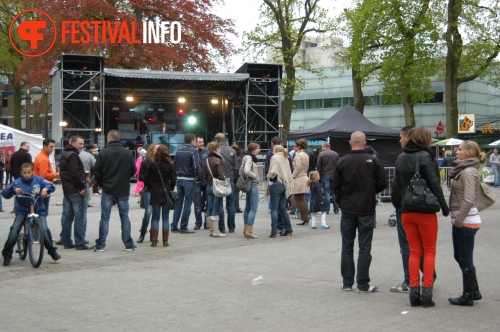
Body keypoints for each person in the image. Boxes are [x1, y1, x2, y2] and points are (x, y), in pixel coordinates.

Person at [395, 127, 449, 307]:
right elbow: (434, 183)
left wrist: (400, 206)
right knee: (429, 250)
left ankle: (413, 292)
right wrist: (444, 206)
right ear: (424, 140)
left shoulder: (401, 157)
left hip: (407, 209)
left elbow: (398, 184)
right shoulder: (426, 156)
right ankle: (427, 292)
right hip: (425, 209)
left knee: (414, 251)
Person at [333, 131, 388, 293]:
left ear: (350, 142)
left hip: (348, 208)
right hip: (366, 208)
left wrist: (341, 200)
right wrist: (370, 192)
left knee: (347, 246)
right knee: (365, 247)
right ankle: (363, 284)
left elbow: (336, 186)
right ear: (365, 143)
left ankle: (347, 282)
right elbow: (383, 181)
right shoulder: (372, 161)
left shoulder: (342, 161)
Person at [448, 141, 487, 306]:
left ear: (470, 153)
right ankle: (474, 291)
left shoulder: (469, 171)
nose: (457, 152)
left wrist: (459, 220)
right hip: (462, 219)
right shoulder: (464, 169)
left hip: (465, 221)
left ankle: (468, 295)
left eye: (460, 150)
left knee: (465, 259)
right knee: (460, 257)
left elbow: (469, 198)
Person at [1, 163, 60, 266]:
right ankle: (7, 253)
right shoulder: (17, 182)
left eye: (29, 172)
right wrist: (14, 190)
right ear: (21, 173)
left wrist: (46, 189)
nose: (27, 175)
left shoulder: (39, 180)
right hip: (23, 210)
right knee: (15, 229)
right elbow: (5, 193)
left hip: (38, 209)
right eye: (24, 173)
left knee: (44, 229)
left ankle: (51, 250)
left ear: (32, 172)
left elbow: (51, 185)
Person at [91, 130, 136, 252]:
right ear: (118, 138)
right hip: (123, 189)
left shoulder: (103, 153)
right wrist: (125, 178)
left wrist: (101, 184)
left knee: (105, 217)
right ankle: (128, 244)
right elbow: (134, 169)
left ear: (109, 138)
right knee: (125, 216)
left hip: (108, 189)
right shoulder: (127, 153)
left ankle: (101, 245)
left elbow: (97, 171)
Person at [144, 145, 176, 247]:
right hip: (166, 192)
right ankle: (165, 241)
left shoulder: (153, 164)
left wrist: (151, 185)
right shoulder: (170, 165)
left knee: (155, 218)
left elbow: (145, 178)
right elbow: (174, 180)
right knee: (165, 218)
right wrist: (170, 188)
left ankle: (154, 241)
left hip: (155, 192)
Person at [59, 136, 87, 250]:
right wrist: (82, 186)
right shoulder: (73, 155)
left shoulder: (64, 154)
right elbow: (74, 173)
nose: (82, 146)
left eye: (82, 143)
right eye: (79, 143)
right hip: (75, 189)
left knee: (67, 216)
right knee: (79, 217)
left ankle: (66, 241)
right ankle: (80, 243)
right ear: (73, 143)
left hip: (67, 189)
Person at [171, 133, 199, 234]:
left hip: (179, 179)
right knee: (187, 204)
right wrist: (196, 176)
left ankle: (174, 225)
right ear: (192, 140)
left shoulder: (178, 150)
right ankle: (183, 226)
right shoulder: (194, 151)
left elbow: (174, 165)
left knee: (179, 203)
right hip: (189, 179)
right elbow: (196, 166)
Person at [266, 144, 294, 237]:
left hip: (276, 183)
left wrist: (269, 177)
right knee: (282, 208)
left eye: (273, 150)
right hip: (284, 184)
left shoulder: (275, 158)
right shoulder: (286, 157)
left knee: (274, 208)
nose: (272, 152)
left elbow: (273, 171)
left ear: (276, 151)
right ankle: (289, 228)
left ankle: (274, 230)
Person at [214, 133, 238, 233]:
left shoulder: (215, 152)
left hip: (219, 180)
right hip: (230, 179)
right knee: (231, 205)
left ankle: (221, 228)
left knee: (219, 204)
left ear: (216, 140)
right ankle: (231, 227)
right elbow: (236, 167)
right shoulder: (232, 151)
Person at [203, 141, 227, 238]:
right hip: (217, 185)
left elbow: (204, 175)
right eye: (219, 148)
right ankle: (216, 231)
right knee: (216, 207)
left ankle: (211, 229)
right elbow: (220, 174)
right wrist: (223, 180)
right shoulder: (218, 160)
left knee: (209, 206)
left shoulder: (206, 160)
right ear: (217, 148)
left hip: (209, 184)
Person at [137, 144, 159, 243]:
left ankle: (153, 234)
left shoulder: (161, 162)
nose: (158, 151)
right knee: (148, 213)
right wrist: (150, 177)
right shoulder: (146, 162)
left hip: (158, 190)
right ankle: (142, 233)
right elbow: (140, 177)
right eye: (156, 149)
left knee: (156, 214)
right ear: (152, 150)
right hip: (149, 189)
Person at [34, 138, 59, 218]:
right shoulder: (43, 158)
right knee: (43, 211)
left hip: (39, 185)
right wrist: (56, 174)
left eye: (53, 147)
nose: (52, 149)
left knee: (39, 209)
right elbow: (44, 175)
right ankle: (41, 227)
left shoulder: (41, 156)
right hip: (43, 186)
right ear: (45, 146)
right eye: (51, 147)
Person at [242, 142, 260, 239]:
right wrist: (256, 177)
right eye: (258, 148)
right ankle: (249, 230)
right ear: (253, 149)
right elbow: (247, 171)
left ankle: (246, 229)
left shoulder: (246, 156)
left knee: (248, 207)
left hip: (249, 184)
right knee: (253, 208)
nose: (259, 150)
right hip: (252, 183)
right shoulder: (249, 158)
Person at [317, 142, 340, 215]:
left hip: (325, 174)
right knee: (334, 192)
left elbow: (319, 166)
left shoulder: (321, 154)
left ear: (324, 147)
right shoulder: (335, 154)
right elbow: (339, 165)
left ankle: (326, 210)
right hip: (334, 174)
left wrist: (319, 176)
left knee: (326, 193)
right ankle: (336, 209)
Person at [291, 139, 310, 226]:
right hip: (304, 176)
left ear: (299, 147)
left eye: (294, 146)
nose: (293, 147)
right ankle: (305, 217)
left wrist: (292, 176)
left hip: (299, 178)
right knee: (301, 199)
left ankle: (304, 218)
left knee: (299, 199)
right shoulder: (305, 155)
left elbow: (298, 168)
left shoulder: (298, 155)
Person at [194, 135, 209, 230]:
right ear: (195, 143)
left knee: (208, 202)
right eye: (200, 142)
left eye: (203, 141)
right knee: (197, 204)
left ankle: (207, 222)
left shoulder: (207, 151)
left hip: (206, 181)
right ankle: (198, 222)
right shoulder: (193, 152)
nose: (202, 144)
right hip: (196, 181)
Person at [231, 144, 243, 213]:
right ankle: (236, 207)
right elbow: (239, 168)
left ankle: (229, 206)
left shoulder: (229, 157)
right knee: (236, 193)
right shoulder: (239, 158)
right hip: (237, 176)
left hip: (230, 176)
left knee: (230, 192)